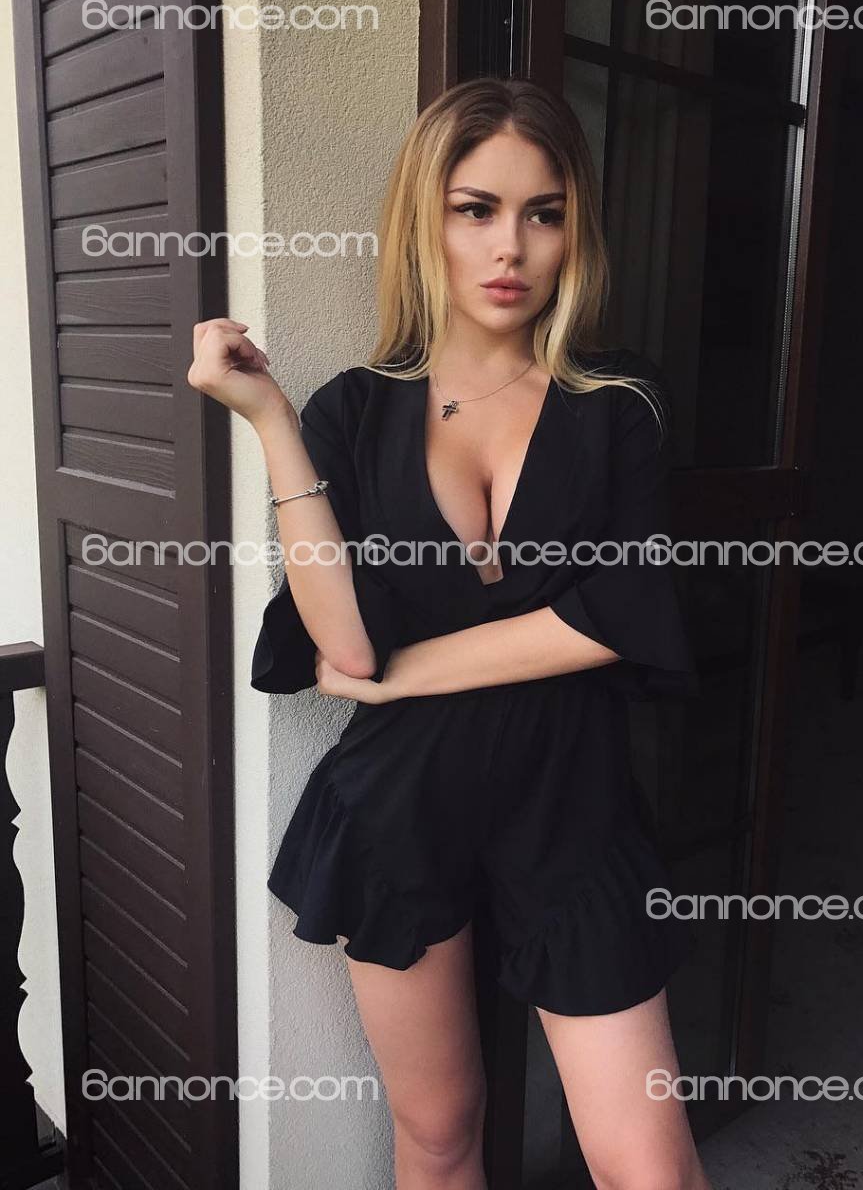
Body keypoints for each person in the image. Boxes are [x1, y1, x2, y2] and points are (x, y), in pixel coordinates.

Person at [188, 77, 710, 1190]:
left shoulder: (620, 402)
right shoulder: (352, 409)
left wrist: (408, 672)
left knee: (649, 1167)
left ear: (574, 230)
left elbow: (615, 616)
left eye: (543, 212)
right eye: (476, 209)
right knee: (437, 1133)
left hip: (572, 797)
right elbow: (344, 647)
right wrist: (272, 422)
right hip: (401, 801)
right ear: (425, 221)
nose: (510, 246)